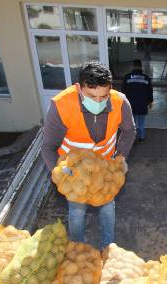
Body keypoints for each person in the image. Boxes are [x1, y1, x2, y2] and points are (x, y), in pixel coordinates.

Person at [41, 61, 136, 249]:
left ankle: (107, 245)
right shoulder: (61, 104)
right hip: (75, 171)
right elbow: (48, 147)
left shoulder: (119, 101)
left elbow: (129, 130)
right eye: (92, 96)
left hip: (105, 168)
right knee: (77, 211)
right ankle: (78, 247)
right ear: (79, 87)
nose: (99, 101)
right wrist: (59, 171)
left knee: (108, 208)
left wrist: (121, 157)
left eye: (104, 96)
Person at [122, 59, 153, 142]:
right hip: (143, 104)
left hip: (131, 104)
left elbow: (123, 91)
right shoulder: (146, 78)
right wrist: (150, 102)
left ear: (133, 66)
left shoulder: (127, 77)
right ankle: (141, 137)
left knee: (133, 122)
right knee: (141, 122)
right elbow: (150, 91)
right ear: (141, 66)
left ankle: (133, 137)